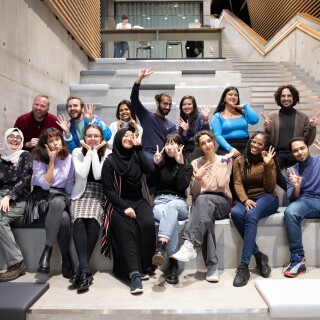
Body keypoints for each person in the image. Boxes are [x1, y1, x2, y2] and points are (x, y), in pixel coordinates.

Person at [172, 130, 234, 282]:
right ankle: (212, 267)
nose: (207, 145)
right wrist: (198, 178)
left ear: (214, 141)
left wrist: (223, 165)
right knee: (206, 217)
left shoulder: (224, 160)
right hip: (203, 203)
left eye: (209, 141)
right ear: (199, 146)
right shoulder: (195, 163)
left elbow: (220, 185)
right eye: (203, 143)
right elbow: (195, 193)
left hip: (222, 202)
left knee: (204, 202)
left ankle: (189, 244)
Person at [101, 128, 156, 294]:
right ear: (118, 139)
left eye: (131, 136)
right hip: (117, 202)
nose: (128, 138)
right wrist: (124, 207)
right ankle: (134, 274)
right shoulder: (110, 161)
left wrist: (139, 148)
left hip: (139, 201)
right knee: (126, 229)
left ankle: (145, 265)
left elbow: (151, 169)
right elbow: (108, 189)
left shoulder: (136, 156)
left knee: (147, 223)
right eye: (124, 135)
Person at [24, 127, 75, 278]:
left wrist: (72, 199)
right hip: (42, 196)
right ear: (45, 144)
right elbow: (45, 184)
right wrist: (52, 162)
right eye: (51, 141)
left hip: (60, 195)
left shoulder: (69, 158)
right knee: (64, 218)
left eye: (57, 140)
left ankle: (47, 251)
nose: (55, 144)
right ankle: (66, 259)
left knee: (59, 202)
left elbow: (69, 184)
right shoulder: (38, 158)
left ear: (62, 141)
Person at [231, 131, 279, 287]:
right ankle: (259, 256)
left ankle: (244, 266)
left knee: (251, 215)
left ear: (265, 147)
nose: (255, 145)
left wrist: (267, 165)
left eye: (260, 143)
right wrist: (244, 200)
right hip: (248, 198)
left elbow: (270, 187)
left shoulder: (269, 161)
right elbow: (237, 183)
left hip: (268, 197)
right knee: (236, 213)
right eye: (254, 141)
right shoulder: (239, 160)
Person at [70, 124, 111, 293]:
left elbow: (99, 173)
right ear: (84, 138)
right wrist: (89, 152)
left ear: (102, 138)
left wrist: (94, 152)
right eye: (89, 136)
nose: (92, 139)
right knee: (78, 221)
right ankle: (85, 270)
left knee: (94, 222)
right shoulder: (77, 152)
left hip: (98, 194)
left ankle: (82, 269)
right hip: (81, 194)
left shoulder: (108, 153)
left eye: (96, 136)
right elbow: (82, 173)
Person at [151, 134, 193, 284]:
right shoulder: (160, 164)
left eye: (173, 143)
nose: (169, 147)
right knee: (171, 220)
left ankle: (161, 245)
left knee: (172, 207)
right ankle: (173, 264)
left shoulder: (187, 166)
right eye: (167, 143)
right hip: (159, 203)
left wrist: (180, 164)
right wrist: (155, 166)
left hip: (179, 203)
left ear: (180, 146)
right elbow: (152, 186)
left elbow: (182, 186)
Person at [283, 137, 320, 278]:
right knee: (290, 212)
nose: (299, 152)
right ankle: (298, 259)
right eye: (295, 151)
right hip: (306, 201)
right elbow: (293, 198)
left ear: (308, 148)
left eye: (302, 148)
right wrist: (296, 187)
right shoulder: (292, 171)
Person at [0, 128, 32, 282]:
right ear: (5, 139)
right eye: (11, 137)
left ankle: (16, 262)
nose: (14, 139)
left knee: (0, 219)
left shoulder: (25, 155)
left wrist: (8, 196)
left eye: (18, 138)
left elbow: (25, 180)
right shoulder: (1, 157)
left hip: (18, 197)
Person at [262, 84, 319, 169]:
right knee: (272, 168)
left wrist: (312, 127)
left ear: (294, 98)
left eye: (289, 96)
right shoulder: (271, 117)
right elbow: (268, 142)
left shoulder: (303, 117)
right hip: (277, 153)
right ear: (279, 98)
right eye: (283, 96)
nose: (286, 98)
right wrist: (268, 129)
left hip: (296, 153)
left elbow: (308, 141)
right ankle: (284, 183)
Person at [130, 67, 177, 160]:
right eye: (165, 104)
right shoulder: (146, 116)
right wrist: (139, 79)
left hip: (164, 157)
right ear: (157, 103)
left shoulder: (172, 126)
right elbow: (134, 99)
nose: (167, 107)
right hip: (147, 155)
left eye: (170, 104)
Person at [212, 86, 259, 156]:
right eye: (230, 94)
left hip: (245, 145)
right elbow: (218, 135)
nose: (233, 97)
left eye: (236, 95)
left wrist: (246, 106)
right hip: (226, 147)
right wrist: (230, 149)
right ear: (224, 98)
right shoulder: (217, 116)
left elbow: (255, 120)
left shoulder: (242, 112)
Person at [176, 95, 212, 162]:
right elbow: (182, 142)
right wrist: (185, 131)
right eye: (184, 105)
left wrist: (205, 119)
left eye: (189, 104)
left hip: (199, 147)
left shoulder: (200, 116)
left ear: (194, 105)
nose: (186, 107)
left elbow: (206, 134)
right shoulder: (183, 119)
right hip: (187, 149)